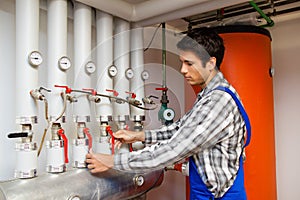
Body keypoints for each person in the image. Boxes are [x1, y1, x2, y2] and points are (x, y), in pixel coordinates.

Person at [86, 27, 250, 200]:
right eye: (182, 62)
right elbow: (181, 129)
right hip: (206, 191)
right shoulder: (208, 95)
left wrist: (113, 161)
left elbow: (174, 149)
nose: (183, 70)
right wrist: (139, 136)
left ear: (210, 63)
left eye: (189, 63)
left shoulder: (218, 101)